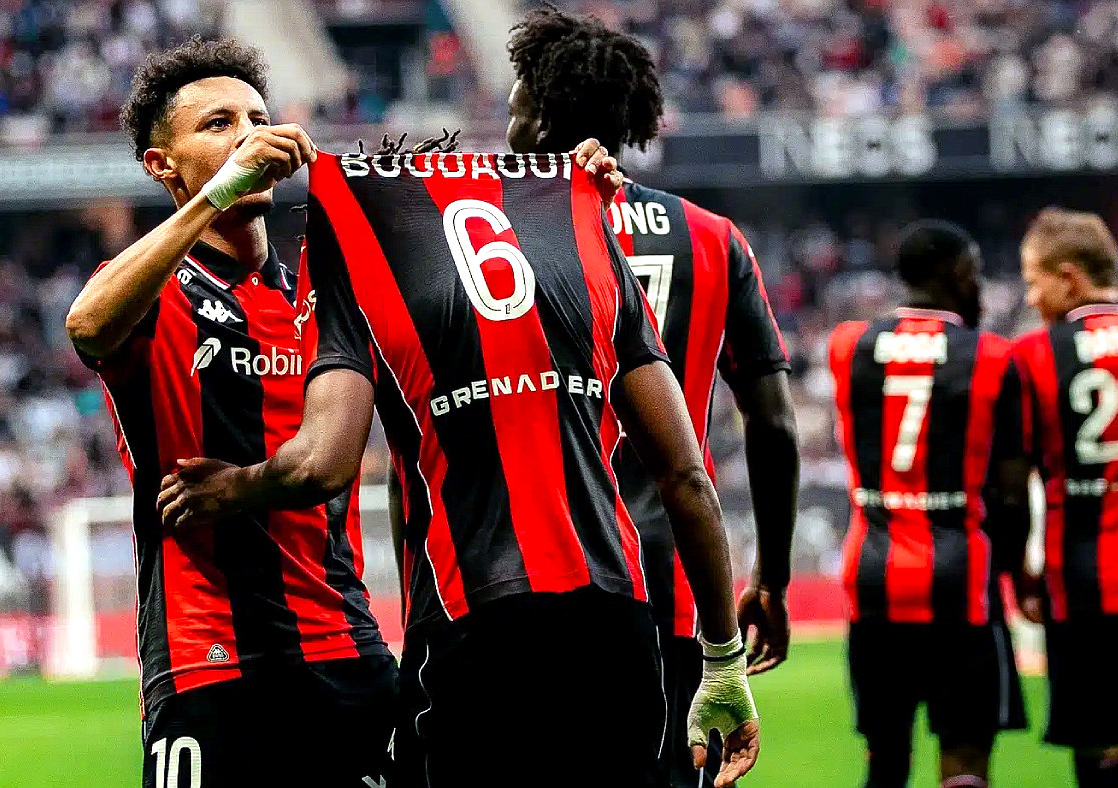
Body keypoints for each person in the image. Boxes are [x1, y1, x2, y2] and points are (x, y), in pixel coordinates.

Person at [157, 150, 761, 787]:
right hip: (615, 629)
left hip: (471, 628)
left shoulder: (360, 239)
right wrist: (724, 661)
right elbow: (687, 477)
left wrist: (233, 485)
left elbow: (322, 466)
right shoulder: (589, 236)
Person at [64, 36, 394, 788]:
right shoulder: (154, 291)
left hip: (346, 652)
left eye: (257, 119)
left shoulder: (320, 297)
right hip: (207, 663)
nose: (248, 135)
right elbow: (87, 326)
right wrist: (216, 195)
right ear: (162, 165)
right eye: (218, 124)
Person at [504, 7, 799, 786]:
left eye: (515, 110)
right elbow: (773, 425)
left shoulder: (492, 242)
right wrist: (771, 578)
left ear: (542, 120)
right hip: (673, 583)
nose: (507, 128)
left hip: (531, 583)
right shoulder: (714, 238)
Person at [827, 221, 1030, 788]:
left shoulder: (847, 345)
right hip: (959, 579)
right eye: (976, 273)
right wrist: (1015, 570)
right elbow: (1013, 490)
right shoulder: (993, 356)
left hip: (872, 574)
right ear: (959, 275)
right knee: (965, 761)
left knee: (886, 758)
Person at [1013, 207, 1118, 788]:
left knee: (1098, 750)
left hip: (1081, 588)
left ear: (1069, 278)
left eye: (1034, 281)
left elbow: (1011, 485)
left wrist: (1021, 570)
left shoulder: (1032, 357)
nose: (1030, 297)